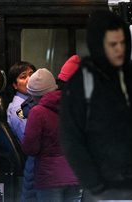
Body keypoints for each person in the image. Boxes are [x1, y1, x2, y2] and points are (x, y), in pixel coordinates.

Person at [59, 10, 132, 200]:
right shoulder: (82, 85)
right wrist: (95, 184)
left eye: (123, 43)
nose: (119, 49)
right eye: (113, 44)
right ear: (99, 45)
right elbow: (71, 139)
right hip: (102, 190)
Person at [22, 68, 81, 202]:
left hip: (49, 179)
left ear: (35, 95)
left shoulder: (37, 112)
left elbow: (30, 148)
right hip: (74, 175)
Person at [5, 61, 37, 201]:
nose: (29, 79)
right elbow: (29, 140)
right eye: (23, 76)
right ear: (15, 85)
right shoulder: (17, 109)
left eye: (31, 74)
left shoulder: (34, 102)